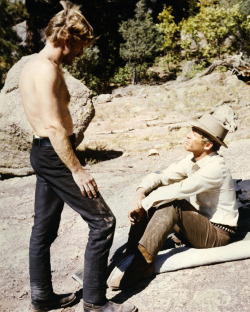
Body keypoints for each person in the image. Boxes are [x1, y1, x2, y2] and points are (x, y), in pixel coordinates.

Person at [19, 3, 137, 312]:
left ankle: (42, 296)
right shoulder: (46, 69)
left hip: (43, 152)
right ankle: (95, 304)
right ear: (67, 38)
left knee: (42, 231)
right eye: (80, 46)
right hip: (55, 153)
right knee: (103, 221)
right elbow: (54, 127)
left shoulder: (31, 64)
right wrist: (78, 170)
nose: (81, 53)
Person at [108, 112, 239, 290]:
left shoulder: (216, 169)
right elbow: (162, 176)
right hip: (200, 224)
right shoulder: (193, 159)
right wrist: (140, 192)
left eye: (195, 134)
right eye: (191, 131)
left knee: (172, 204)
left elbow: (178, 189)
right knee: (153, 194)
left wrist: (142, 204)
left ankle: (140, 266)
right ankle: (132, 252)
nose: (188, 135)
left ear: (207, 145)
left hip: (217, 234)